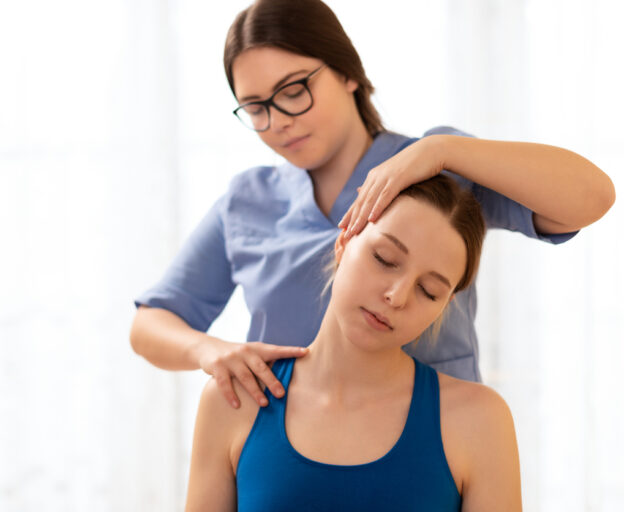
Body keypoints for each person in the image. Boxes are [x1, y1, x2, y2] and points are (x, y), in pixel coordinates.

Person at [130, 0, 615, 408]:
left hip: (434, 449)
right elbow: (151, 323)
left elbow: (591, 197)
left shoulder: (438, 169)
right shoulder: (247, 202)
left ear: (347, 73)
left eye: (293, 91)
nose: (278, 121)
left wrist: (442, 150)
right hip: (288, 454)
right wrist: (210, 352)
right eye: (256, 108)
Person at [186, 175, 520, 510]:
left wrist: (439, 151)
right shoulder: (234, 399)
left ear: (443, 307)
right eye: (384, 259)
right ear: (344, 242)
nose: (397, 296)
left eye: (428, 291)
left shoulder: (479, 420)